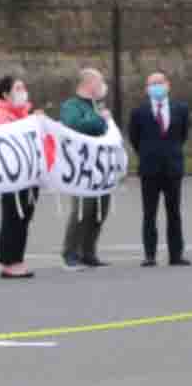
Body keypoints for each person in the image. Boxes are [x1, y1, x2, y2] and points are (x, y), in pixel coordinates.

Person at [129, 71, 187, 267]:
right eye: (152, 84)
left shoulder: (181, 108)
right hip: (149, 169)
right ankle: (150, 255)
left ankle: (176, 254)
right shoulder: (139, 112)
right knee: (149, 213)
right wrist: (148, 153)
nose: (157, 86)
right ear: (147, 89)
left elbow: (182, 135)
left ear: (168, 85)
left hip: (173, 168)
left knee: (174, 213)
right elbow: (134, 138)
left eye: (160, 82)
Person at [59, 68, 112, 270]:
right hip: (82, 168)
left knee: (100, 209)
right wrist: (100, 120)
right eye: (100, 82)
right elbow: (73, 125)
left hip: (101, 168)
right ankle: (70, 252)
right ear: (89, 84)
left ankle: (88, 251)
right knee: (83, 209)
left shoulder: (97, 106)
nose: (102, 86)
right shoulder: (71, 106)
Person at [0, 77, 38, 279]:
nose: (23, 91)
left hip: (29, 176)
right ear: (6, 94)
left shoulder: (25, 115)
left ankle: (18, 258)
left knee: (24, 217)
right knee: (13, 217)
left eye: (23, 87)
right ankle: (9, 261)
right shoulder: (2, 116)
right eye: (17, 88)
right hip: (12, 177)